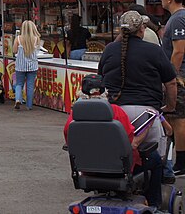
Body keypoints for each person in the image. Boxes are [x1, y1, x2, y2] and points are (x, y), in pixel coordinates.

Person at [64, 74, 164, 210]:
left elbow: (70, 144)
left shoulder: (72, 119)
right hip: (121, 170)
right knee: (155, 159)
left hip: (89, 171)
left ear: (81, 92)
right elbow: (132, 144)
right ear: (105, 92)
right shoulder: (117, 113)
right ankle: (154, 205)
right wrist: (146, 127)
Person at [101, 10, 177, 174]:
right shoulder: (154, 50)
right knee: (154, 158)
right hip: (147, 114)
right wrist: (170, 106)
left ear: (121, 30)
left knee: (119, 154)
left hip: (116, 114)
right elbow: (171, 82)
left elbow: (101, 77)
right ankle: (154, 197)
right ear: (142, 29)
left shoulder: (109, 50)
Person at [160, 0, 185, 175]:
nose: (160, 0)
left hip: (179, 76)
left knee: (178, 119)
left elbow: (178, 51)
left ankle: (181, 162)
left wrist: (172, 76)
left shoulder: (177, 19)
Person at [12, 20, 42, 111]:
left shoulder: (18, 39)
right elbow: (38, 51)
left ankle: (18, 99)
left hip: (20, 65)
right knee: (30, 85)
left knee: (19, 84)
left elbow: (14, 51)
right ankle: (29, 105)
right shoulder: (36, 39)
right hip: (32, 65)